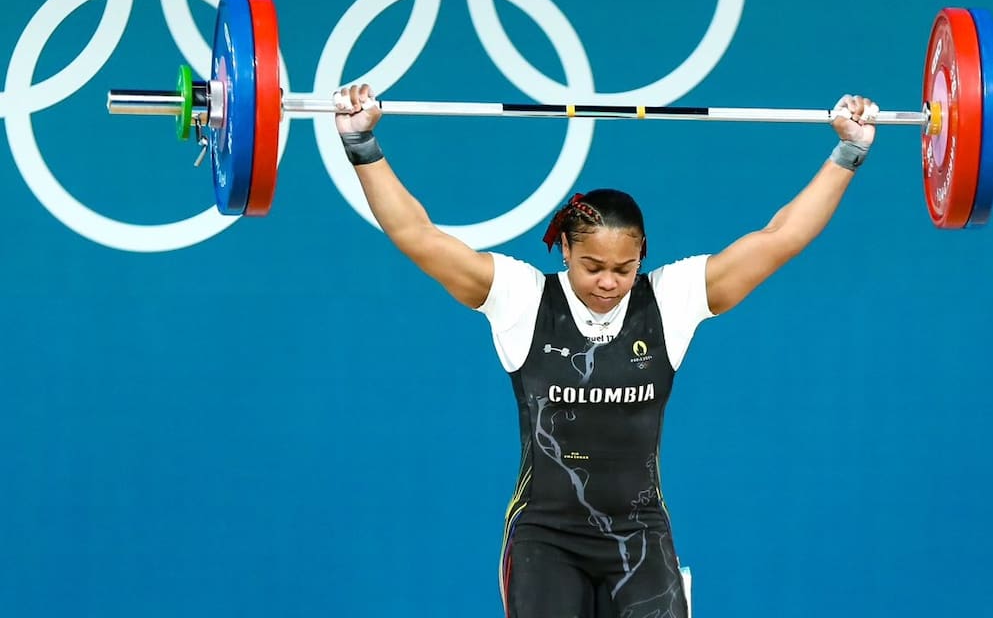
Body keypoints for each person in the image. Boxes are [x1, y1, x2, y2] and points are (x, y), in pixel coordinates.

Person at [333, 85, 878, 618]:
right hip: (544, 539)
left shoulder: (672, 299)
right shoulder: (521, 297)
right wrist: (362, 145)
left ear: (643, 253)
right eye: (592, 267)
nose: (608, 283)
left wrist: (848, 151)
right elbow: (418, 235)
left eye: (624, 268)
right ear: (564, 247)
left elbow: (780, 237)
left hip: (639, 535)